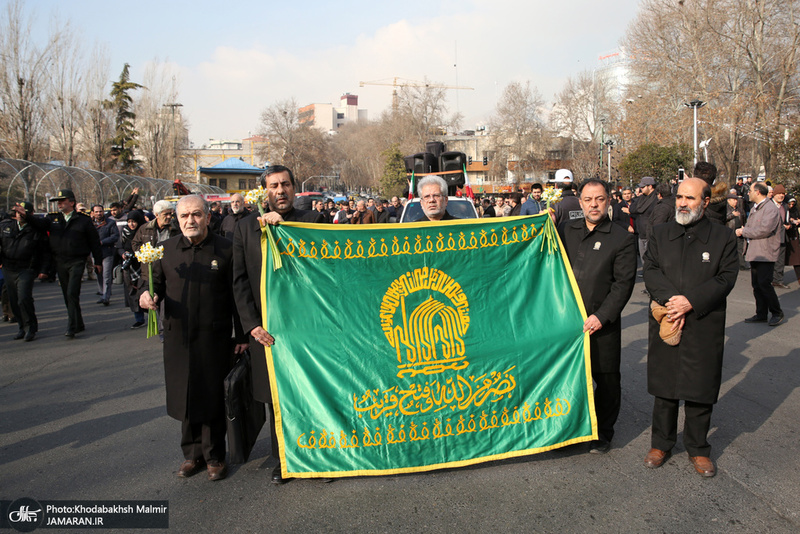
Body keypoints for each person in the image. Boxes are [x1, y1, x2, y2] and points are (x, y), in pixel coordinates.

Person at [139, 195, 246, 482]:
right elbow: (152, 284)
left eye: (196, 214)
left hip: (216, 336)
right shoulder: (164, 251)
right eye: (184, 215)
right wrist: (146, 296)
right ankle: (192, 455)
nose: (190, 221)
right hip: (178, 338)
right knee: (184, 394)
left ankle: (214, 456)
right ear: (176, 218)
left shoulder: (225, 249)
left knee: (211, 395)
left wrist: (242, 333)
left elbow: (238, 294)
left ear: (208, 217)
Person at [232, 165, 323, 484]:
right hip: (267, 329)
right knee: (275, 394)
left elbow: (323, 265)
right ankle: (284, 458)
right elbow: (239, 280)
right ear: (264, 191)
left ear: (294, 188)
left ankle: (320, 455)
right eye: (273, 186)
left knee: (311, 389)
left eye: (285, 184)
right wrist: (250, 325)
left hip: (308, 325)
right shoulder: (245, 227)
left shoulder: (313, 221)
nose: (280, 190)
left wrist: (285, 230)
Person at [642, 178, 738, 477]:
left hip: (703, 320)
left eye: (690, 198)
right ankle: (661, 443)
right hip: (668, 317)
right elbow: (651, 269)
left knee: (700, 388)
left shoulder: (723, 237)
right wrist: (672, 301)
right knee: (665, 387)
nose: (682, 203)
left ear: (706, 202)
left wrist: (691, 301)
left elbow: (726, 277)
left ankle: (698, 448)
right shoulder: (660, 233)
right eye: (679, 197)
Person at [558, 179, 637, 454]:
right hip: (567, 322)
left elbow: (623, 284)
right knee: (570, 379)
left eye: (600, 199)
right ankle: (570, 431)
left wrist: (602, 316)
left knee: (605, 380)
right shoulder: (566, 230)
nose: (594, 204)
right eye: (588, 199)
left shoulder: (622, 238)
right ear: (580, 202)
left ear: (609, 200)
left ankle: (603, 433)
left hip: (601, 323)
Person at [26, 189, 102, 338]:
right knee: (67, 294)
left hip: (77, 260)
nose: (59, 204)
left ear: (71, 203)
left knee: (72, 292)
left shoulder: (83, 220)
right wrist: (25, 215)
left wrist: (97, 261)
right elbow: (39, 224)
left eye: (62, 201)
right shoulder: (53, 219)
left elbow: (94, 242)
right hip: (60, 261)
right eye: (58, 202)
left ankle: (71, 325)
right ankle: (78, 322)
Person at [736, 182, 784, 326]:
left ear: (757, 192)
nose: (748, 193)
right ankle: (761, 313)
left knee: (764, 283)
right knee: (757, 284)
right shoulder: (756, 208)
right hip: (755, 252)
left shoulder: (770, 208)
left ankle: (777, 312)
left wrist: (744, 232)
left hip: (765, 252)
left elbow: (765, 229)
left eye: (750, 190)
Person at [1, 202, 49, 341]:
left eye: (24, 213)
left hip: (27, 268)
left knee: (24, 298)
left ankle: (31, 327)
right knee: (14, 300)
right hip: (9, 268)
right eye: (18, 213)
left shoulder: (36, 230)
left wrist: (44, 270)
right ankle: (21, 326)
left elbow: (45, 252)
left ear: (30, 214)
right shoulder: (6, 227)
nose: (20, 215)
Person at [117, 210, 147, 329]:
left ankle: (153, 316)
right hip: (129, 267)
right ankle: (138, 319)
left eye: (134, 221)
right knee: (132, 293)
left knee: (145, 290)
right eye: (129, 221)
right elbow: (119, 246)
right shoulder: (124, 232)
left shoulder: (144, 231)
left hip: (142, 265)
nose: (131, 224)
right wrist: (123, 254)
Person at [91, 204, 119, 306]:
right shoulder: (90, 224)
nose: (99, 214)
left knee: (106, 275)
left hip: (107, 252)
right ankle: (102, 292)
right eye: (97, 212)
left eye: (100, 211)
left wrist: (103, 242)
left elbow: (115, 236)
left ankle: (106, 297)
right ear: (93, 213)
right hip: (95, 253)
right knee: (98, 274)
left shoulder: (110, 223)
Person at [629, 177, 658, 260]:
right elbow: (632, 208)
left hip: (650, 234)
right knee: (643, 259)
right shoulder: (641, 198)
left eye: (643, 187)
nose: (641, 189)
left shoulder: (656, 199)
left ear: (650, 186)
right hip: (641, 233)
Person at [770, 185, 790, 288]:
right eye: (779, 194)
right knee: (770, 259)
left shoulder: (785, 206)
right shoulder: (769, 205)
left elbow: (786, 219)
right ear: (774, 194)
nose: (781, 196)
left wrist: (788, 224)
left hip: (782, 236)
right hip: (771, 236)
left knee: (780, 260)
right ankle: (770, 278)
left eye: (783, 194)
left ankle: (778, 280)